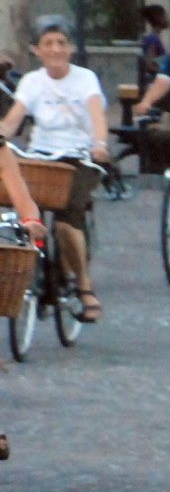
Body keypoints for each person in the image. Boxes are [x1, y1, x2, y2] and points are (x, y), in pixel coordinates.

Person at [0, 17, 112, 326]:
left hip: (79, 157)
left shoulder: (85, 79)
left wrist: (99, 143)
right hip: (40, 157)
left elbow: (96, 114)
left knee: (66, 221)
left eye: (61, 43)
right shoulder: (32, 82)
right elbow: (12, 121)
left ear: (71, 48)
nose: (55, 49)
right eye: (48, 43)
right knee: (13, 207)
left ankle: (84, 285)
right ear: (36, 50)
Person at [138, 4, 169, 91]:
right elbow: (149, 65)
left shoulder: (156, 38)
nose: (167, 19)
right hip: (153, 82)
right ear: (158, 18)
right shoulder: (152, 40)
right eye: (165, 16)